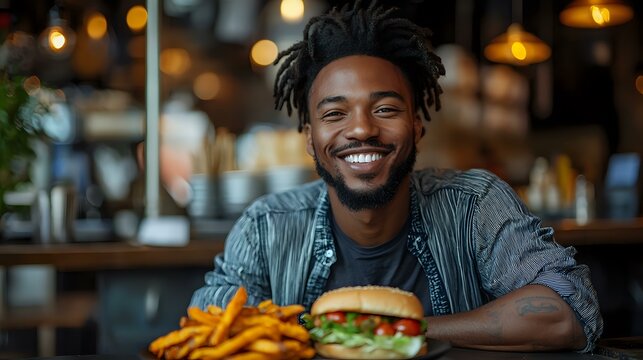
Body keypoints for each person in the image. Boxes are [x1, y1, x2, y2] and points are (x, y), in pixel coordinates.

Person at [191, 0, 603, 352]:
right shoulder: (265, 228)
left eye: (385, 109)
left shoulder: (476, 205)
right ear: (311, 140)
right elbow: (206, 328)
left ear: (417, 125)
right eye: (334, 114)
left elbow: (568, 312)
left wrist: (394, 333)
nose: (361, 129)